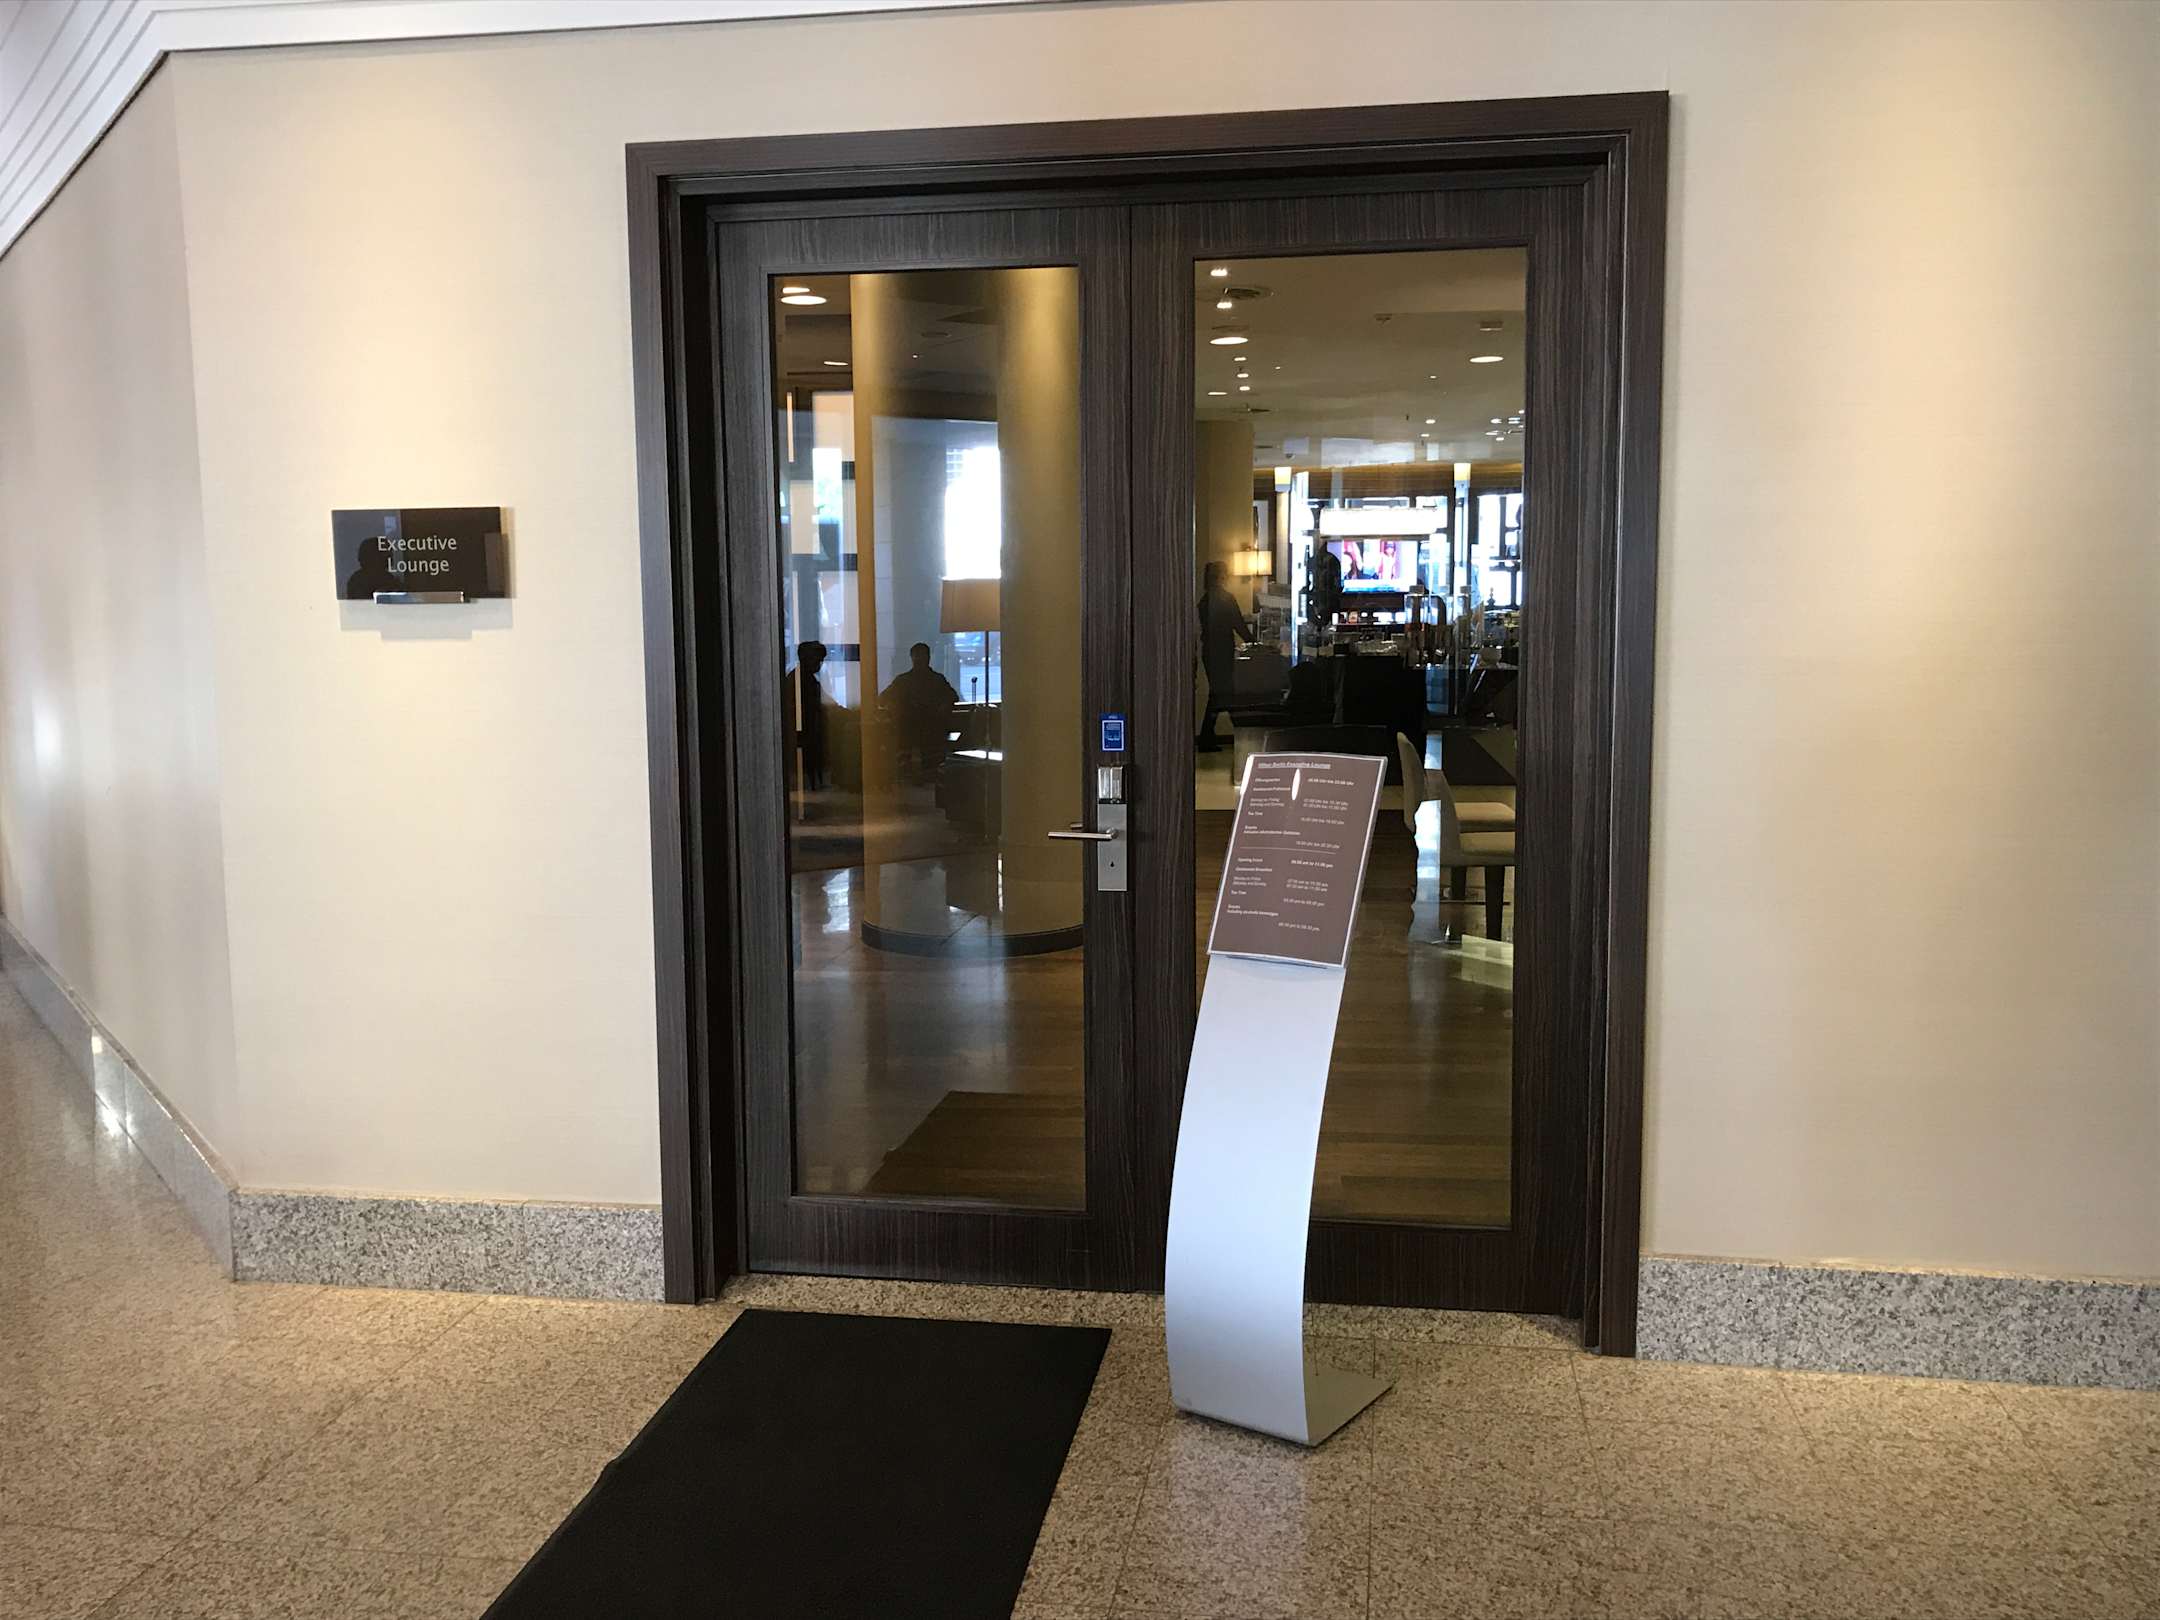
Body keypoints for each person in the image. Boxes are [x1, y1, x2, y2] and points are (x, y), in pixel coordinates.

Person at [880, 641, 961, 780]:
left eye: (921, 657)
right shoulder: (906, 681)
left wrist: (942, 708)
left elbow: (953, 696)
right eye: (917, 656)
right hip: (915, 725)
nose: (919, 660)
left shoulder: (933, 680)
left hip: (926, 724)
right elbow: (883, 698)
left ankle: (919, 768)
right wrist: (896, 708)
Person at [1195, 560, 1251, 752]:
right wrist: (1253, 642)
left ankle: (1208, 736)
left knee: (1218, 694)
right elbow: (1238, 624)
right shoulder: (1225, 598)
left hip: (1210, 652)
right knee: (1223, 694)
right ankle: (1239, 733)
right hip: (1222, 652)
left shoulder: (1205, 600)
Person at [794, 640, 830, 791]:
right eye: (817, 659)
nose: (820, 664)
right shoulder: (800, 681)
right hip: (805, 731)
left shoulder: (808, 680)